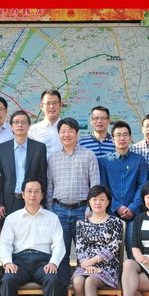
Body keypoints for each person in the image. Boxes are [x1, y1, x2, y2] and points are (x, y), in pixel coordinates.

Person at [0, 179, 65, 296]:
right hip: (19, 261)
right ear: (23, 194)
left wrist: (53, 263)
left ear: (42, 195)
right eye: (29, 191)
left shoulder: (52, 218)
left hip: (43, 261)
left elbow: (59, 245)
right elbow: (4, 244)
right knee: (7, 280)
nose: (32, 194)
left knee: (53, 280)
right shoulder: (13, 218)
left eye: (37, 191)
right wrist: (7, 262)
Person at [47, 117, 100, 285]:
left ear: (77, 134)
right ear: (58, 134)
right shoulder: (53, 158)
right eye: (62, 131)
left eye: (70, 131)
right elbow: (49, 187)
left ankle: (81, 289)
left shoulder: (89, 155)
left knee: (84, 253)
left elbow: (95, 185)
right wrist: (50, 211)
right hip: (59, 211)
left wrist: (91, 209)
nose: (66, 135)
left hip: (82, 211)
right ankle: (62, 289)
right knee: (60, 252)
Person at [72, 185, 123, 296]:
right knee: (78, 282)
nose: (98, 203)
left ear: (108, 202)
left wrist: (93, 262)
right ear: (89, 202)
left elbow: (114, 247)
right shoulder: (81, 224)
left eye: (102, 199)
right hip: (86, 264)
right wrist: (86, 264)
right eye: (94, 199)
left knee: (90, 281)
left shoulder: (116, 222)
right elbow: (80, 248)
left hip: (107, 264)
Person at [98, 120, 147, 259]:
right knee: (110, 255)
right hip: (111, 214)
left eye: (125, 135)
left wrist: (132, 208)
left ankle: (133, 274)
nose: (122, 138)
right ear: (112, 139)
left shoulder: (139, 160)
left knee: (134, 252)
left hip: (134, 215)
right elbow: (103, 187)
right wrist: (117, 207)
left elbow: (142, 186)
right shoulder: (104, 161)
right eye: (118, 135)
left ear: (130, 138)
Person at [0, 110, 48, 219]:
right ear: (11, 127)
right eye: (16, 122)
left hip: (32, 200)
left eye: (23, 122)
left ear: (29, 126)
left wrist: (42, 201)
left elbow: (42, 177)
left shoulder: (39, 148)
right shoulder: (1, 149)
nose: (20, 125)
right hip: (9, 201)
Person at [28, 89, 63, 158]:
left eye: (55, 103)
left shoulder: (69, 129)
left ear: (60, 105)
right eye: (48, 103)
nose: (51, 107)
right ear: (42, 106)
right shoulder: (33, 130)